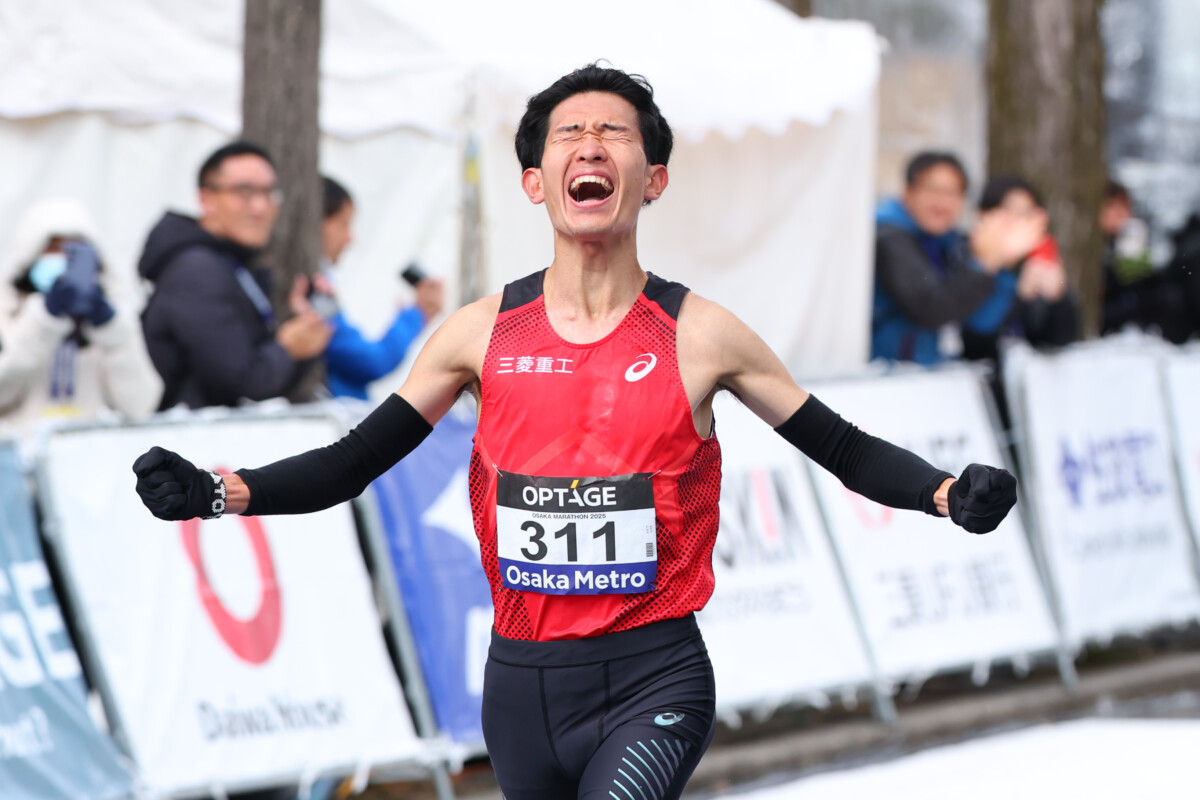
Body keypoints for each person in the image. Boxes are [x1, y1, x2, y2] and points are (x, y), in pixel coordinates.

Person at [132, 65, 1019, 800]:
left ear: (653, 179)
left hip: (652, 675)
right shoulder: (480, 332)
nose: (590, 143)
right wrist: (218, 490)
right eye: (568, 134)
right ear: (535, 181)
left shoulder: (701, 333)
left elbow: (844, 448)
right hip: (518, 687)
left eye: (616, 132)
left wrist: (945, 494)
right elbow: (352, 463)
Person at [138, 141, 332, 411]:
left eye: (269, 192)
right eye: (244, 191)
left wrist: (303, 331)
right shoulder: (196, 271)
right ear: (207, 199)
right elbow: (240, 384)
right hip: (197, 446)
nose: (261, 207)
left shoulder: (228, 263)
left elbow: (256, 377)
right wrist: (288, 347)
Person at [0, 198, 160, 445]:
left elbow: (140, 406)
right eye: (53, 248)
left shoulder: (111, 319)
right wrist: (43, 321)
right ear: (30, 252)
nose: (63, 258)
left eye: (74, 250)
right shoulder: (7, 314)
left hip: (84, 462)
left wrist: (113, 333)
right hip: (15, 460)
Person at [871, 151, 1045, 364]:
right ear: (907, 191)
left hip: (922, 376)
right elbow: (932, 308)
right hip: (884, 377)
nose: (942, 202)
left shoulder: (949, 241)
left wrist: (1006, 265)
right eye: (933, 189)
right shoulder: (888, 238)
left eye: (953, 192)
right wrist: (985, 263)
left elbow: (978, 324)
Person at [315, 176, 445, 400]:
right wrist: (416, 315)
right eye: (343, 224)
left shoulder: (317, 281)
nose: (349, 239)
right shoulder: (314, 286)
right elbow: (370, 361)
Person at [959, 176, 1078, 362]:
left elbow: (1061, 338)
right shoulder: (962, 258)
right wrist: (1017, 297)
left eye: (1027, 214)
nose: (1020, 223)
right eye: (1010, 212)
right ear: (983, 215)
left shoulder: (1035, 261)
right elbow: (972, 341)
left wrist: (1058, 295)